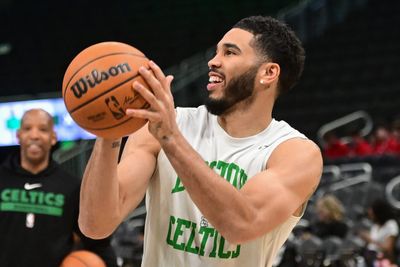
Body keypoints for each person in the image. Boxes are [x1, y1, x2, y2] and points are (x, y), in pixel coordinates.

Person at [79, 15, 323, 267]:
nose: (213, 61)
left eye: (230, 53)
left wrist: (171, 139)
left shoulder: (294, 152)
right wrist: (109, 130)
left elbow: (241, 225)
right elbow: (95, 225)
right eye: (216, 51)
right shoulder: (167, 124)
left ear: (268, 73)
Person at [0, 109, 117, 267]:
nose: (34, 135)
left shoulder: (71, 186)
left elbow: (96, 242)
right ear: (18, 135)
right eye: (27, 129)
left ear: (53, 137)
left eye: (43, 129)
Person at [359, 198, 399, 266]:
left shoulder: (391, 224)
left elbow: (388, 248)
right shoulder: (375, 225)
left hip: (382, 258)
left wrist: (370, 240)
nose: (370, 216)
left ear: (379, 212)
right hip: (368, 255)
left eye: (372, 214)